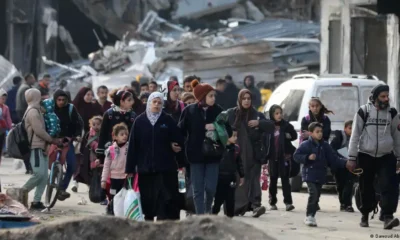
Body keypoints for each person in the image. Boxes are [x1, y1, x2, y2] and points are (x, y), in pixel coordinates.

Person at [348, 84, 400, 229]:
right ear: (375, 97)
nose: (386, 99)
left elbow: (397, 136)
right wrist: (352, 158)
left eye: (387, 96)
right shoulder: (363, 111)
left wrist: (399, 157)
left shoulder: (392, 113)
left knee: (388, 185)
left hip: (386, 156)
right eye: (383, 96)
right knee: (366, 187)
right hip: (366, 155)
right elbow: (355, 135)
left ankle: (388, 216)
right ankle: (365, 215)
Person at [126, 92, 184, 221]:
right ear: (149, 103)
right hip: (145, 169)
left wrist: (180, 161)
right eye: (154, 102)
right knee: (148, 200)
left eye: (159, 102)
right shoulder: (140, 121)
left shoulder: (167, 120)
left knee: (164, 199)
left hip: (164, 169)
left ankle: (161, 226)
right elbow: (133, 146)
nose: (157, 105)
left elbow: (178, 140)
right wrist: (129, 169)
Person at [179, 80, 232, 215]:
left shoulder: (219, 111)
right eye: (210, 96)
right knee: (197, 189)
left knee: (210, 188)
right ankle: (201, 215)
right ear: (202, 97)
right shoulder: (189, 111)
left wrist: (217, 126)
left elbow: (229, 130)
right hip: (195, 156)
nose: (213, 98)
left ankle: (208, 208)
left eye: (214, 95)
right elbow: (180, 131)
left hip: (213, 155)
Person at [294, 122, 354, 227]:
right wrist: (307, 157)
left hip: (321, 175)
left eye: (321, 131)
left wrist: (346, 163)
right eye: (317, 132)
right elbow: (296, 156)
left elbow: (333, 159)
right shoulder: (305, 145)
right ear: (311, 133)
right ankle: (309, 216)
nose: (320, 134)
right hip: (310, 175)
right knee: (313, 194)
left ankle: (312, 215)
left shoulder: (325, 145)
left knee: (317, 196)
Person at [224, 89, 273, 217]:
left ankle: (256, 205)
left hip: (254, 153)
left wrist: (259, 123)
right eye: (244, 98)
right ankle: (236, 207)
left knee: (254, 180)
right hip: (235, 153)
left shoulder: (256, 115)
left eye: (248, 98)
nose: (246, 101)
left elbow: (271, 126)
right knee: (238, 180)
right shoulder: (231, 114)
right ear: (239, 100)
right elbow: (220, 126)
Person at [21, 89, 60, 210]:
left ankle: (36, 201)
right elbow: (39, 130)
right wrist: (51, 140)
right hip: (35, 146)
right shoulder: (33, 112)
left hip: (42, 146)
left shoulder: (38, 111)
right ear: (36, 97)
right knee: (39, 174)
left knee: (44, 176)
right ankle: (21, 193)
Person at [53, 89, 84, 200]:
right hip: (53, 141)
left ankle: (62, 188)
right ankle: (53, 179)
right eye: (59, 99)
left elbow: (78, 124)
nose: (61, 102)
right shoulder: (50, 109)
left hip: (67, 141)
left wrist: (77, 135)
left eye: (63, 100)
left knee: (72, 165)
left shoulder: (71, 109)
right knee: (54, 162)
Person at [71, 87, 103, 192]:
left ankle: (89, 183)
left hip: (90, 139)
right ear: (82, 95)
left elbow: (101, 118)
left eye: (91, 95)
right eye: (87, 95)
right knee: (77, 161)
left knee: (86, 162)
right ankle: (75, 181)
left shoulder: (95, 107)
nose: (89, 97)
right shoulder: (75, 107)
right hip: (78, 138)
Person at [267, 104, 297, 212]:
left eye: (280, 113)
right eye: (276, 113)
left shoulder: (286, 125)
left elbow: (294, 135)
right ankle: (272, 202)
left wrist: (289, 135)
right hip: (272, 157)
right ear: (272, 115)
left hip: (284, 157)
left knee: (285, 180)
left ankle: (288, 203)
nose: (279, 115)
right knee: (273, 180)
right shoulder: (269, 126)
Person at [96, 90, 136, 164]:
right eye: (129, 100)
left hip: (128, 151)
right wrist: (100, 156)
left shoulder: (133, 115)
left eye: (132, 99)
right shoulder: (109, 114)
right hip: (111, 150)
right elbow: (103, 134)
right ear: (121, 101)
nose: (132, 102)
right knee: (112, 170)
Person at [212, 131, 244, 218]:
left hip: (231, 177)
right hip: (220, 177)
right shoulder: (219, 147)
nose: (235, 138)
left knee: (230, 199)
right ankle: (213, 215)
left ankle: (230, 218)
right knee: (218, 199)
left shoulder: (236, 149)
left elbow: (239, 163)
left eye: (236, 136)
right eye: (233, 136)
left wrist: (242, 176)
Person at [101, 123, 129, 215]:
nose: (124, 136)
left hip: (125, 178)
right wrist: (103, 180)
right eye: (121, 134)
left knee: (124, 197)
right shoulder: (111, 150)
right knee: (113, 196)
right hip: (114, 178)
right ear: (115, 136)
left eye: (126, 134)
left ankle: (123, 213)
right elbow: (106, 165)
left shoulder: (129, 148)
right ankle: (111, 212)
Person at [330, 120, 355, 213]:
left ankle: (348, 204)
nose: (352, 131)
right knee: (340, 185)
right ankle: (343, 204)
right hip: (339, 165)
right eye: (350, 128)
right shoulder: (339, 137)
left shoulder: (357, 138)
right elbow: (332, 150)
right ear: (345, 128)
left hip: (351, 165)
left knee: (349, 184)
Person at [0, 89, 12, 161]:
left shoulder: (5, 108)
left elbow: (8, 119)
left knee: (1, 147)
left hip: (2, 130)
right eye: (2, 98)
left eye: (5, 99)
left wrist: (10, 128)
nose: (3, 100)